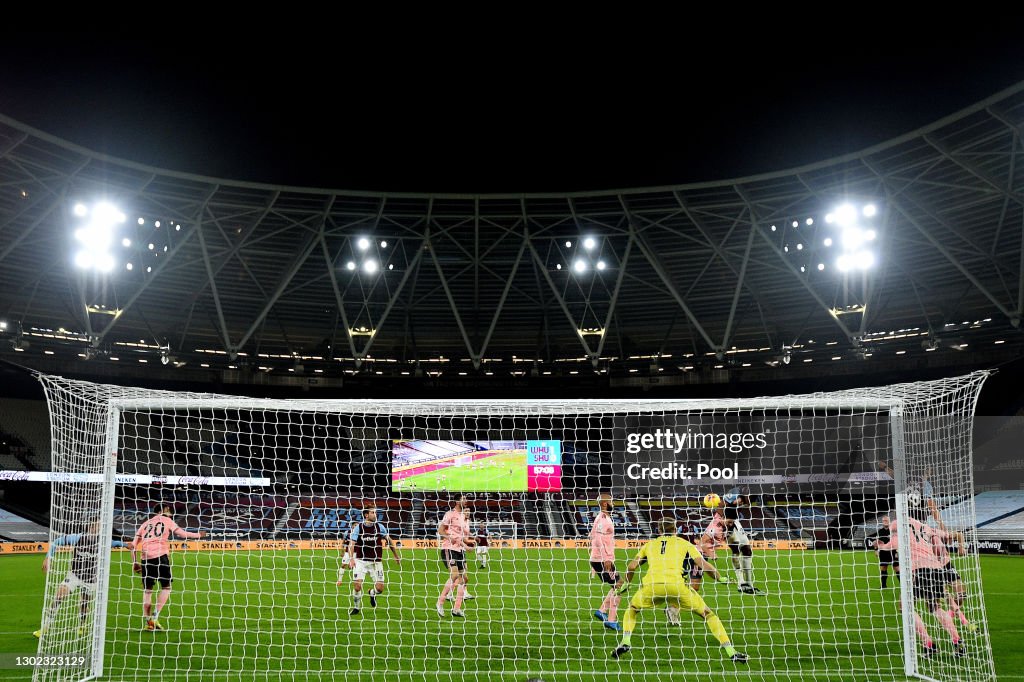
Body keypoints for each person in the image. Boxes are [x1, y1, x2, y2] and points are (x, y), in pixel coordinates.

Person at [611, 517, 747, 663]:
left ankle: (625, 641)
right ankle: (731, 652)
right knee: (708, 614)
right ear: (675, 530)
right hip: (676, 586)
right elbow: (703, 564)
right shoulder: (685, 543)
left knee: (632, 609)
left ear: (659, 530)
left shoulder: (649, 544)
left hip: (652, 586)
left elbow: (631, 567)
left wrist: (626, 584)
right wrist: (720, 578)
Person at [34, 519, 130, 638]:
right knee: (58, 597)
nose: (99, 528)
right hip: (74, 575)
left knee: (84, 603)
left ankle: (82, 625)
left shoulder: (102, 540)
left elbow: (115, 543)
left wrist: (126, 545)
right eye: (97, 525)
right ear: (91, 526)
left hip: (90, 578)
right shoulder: (77, 538)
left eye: (101, 526)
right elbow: (56, 542)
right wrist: (48, 558)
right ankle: (45, 627)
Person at [887, 511, 965, 657]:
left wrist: (882, 547)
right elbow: (948, 536)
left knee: (905, 607)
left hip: (918, 569)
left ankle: (928, 644)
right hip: (936, 568)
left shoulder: (897, 524)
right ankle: (958, 642)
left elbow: (895, 544)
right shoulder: (925, 526)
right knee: (936, 607)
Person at [131, 504, 206, 631]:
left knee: (148, 590)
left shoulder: (144, 524)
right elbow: (182, 534)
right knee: (166, 587)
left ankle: (147, 621)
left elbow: (133, 545)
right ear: (160, 511)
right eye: (167, 509)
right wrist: (199, 535)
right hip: (161, 557)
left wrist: (135, 562)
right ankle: (155, 617)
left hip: (145, 559)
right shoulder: (166, 520)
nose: (170, 512)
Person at [346, 507, 400, 615]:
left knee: (380, 589)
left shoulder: (380, 527)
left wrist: (396, 555)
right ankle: (356, 608)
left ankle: (371, 593)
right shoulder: (359, 528)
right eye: (373, 513)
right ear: (366, 515)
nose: (375, 514)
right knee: (357, 586)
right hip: (361, 561)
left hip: (376, 562)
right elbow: (351, 544)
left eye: (375, 512)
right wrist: (351, 559)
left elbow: (389, 541)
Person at [436, 494, 475, 617]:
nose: (466, 501)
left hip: (459, 549)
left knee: (464, 579)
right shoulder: (450, 514)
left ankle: (456, 609)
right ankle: (440, 602)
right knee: (455, 575)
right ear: (457, 501)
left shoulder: (463, 517)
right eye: (463, 499)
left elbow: (461, 537)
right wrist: (450, 538)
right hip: (449, 548)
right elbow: (441, 530)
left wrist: (468, 543)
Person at [589, 493, 621, 631]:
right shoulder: (603, 519)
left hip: (600, 559)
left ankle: (602, 611)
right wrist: (605, 558)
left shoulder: (602, 518)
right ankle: (611, 620)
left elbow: (592, 535)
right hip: (603, 559)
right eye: (611, 501)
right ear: (604, 504)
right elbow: (597, 539)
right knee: (620, 586)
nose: (613, 503)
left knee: (617, 585)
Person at [722, 507, 764, 594]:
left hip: (736, 523)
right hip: (728, 529)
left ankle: (749, 583)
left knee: (747, 550)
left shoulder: (735, 504)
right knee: (735, 550)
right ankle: (741, 583)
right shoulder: (723, 505)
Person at [873, 515, 900, 588]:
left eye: (886, 521)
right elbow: (877, 542)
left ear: (889, 521)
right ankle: (883, 585)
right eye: (884, 521)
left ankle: (903, 585)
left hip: (893, 551)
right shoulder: (880, 531)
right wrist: (876, 550)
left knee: (897, 568)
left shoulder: (893, 530)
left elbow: (898, 541)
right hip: (883, 552)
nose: (885, 522)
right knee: (883, 568)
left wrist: (898, 550)